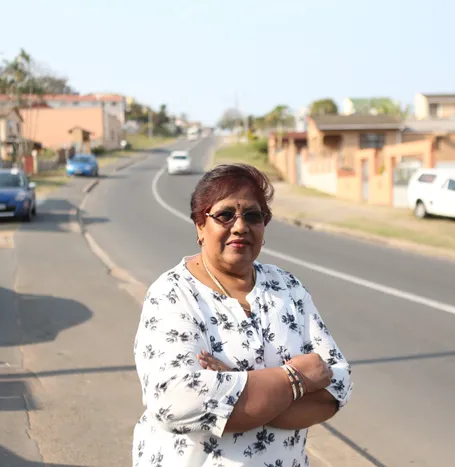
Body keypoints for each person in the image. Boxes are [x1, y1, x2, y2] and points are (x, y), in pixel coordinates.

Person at [132, 163, 352, 467]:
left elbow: (336, 385)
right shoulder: (173, 294)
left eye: (252, 215)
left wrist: (233, 386)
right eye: (225, 215)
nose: (240, 226)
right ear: (200, 226)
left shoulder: (287, 287)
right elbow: (174, 402)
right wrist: (295, 379)